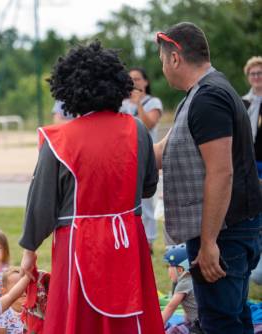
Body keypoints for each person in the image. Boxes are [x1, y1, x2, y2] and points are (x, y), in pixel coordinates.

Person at [19, 41, 163, 333]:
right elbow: (148, 187)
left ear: (68, 88)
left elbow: (42, 202)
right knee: (129, 315)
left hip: (78, 242)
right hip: (127, 238)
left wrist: (29, 249)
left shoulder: (59, 139)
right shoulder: (136, 129)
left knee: (79, 320)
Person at [154, 22, 262, 334]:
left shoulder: (208, 98)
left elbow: (221, 171)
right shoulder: (202, 93)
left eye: (163, 60)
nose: (163, 67)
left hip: (225, 232)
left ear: (175, 57)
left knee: (218, 322)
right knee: (234, 315)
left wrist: (209, 241)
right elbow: (162, 151)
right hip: (230, 228)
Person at [120, 67, 163, 251]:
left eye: (138, 79)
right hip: (124, 157)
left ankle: (149, 240)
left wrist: (138, 104)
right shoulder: (121, 103)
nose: (134, 82)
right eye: (130, 79)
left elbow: (148, 123)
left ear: (145, 82)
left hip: (146, 155)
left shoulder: (153, 102)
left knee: (146, 202)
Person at [241, 56, 262, 286]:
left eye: (260, 73)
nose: (257, 78)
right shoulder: (243, 102)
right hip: (250, 164)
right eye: (253, 74)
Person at [161, 245, 201, 334]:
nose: (168, 271)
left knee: (172, 331)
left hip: (200, 326)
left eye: (169, 267)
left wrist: (156, 326)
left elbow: (171, 307)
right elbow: (192, 304)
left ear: (180, 269)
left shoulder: (184, 283)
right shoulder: (193, 279)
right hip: (205, 321)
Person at [0, 267, 26, 334]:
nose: (23, 290)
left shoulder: (32, 309)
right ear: (4, 292)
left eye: (25, 285)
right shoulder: (2, 313)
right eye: (17, 287)